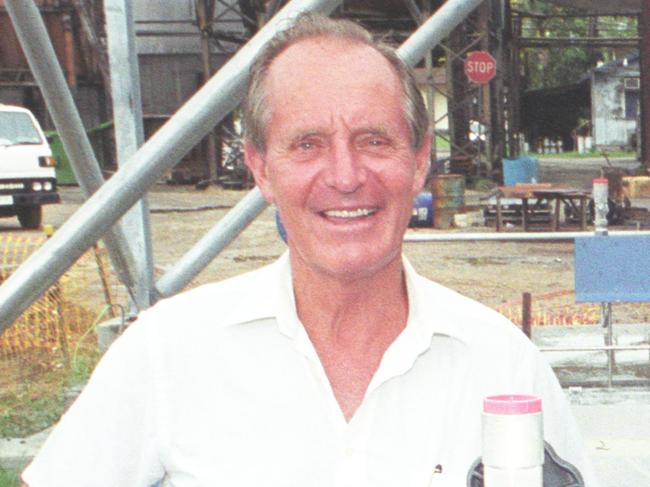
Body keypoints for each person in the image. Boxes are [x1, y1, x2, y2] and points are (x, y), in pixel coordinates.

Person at [22, 13, 597, 487]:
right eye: (308, 145)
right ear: (260, 170)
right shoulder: (167, 353)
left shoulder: (502, 364)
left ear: (420, 161)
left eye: (374, 140)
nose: (345, 176)